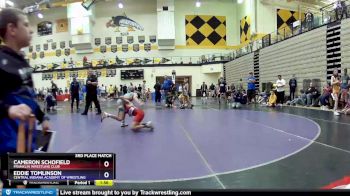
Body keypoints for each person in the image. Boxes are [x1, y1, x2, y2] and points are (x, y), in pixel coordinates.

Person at [0, 8, 50, 187]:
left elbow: (27, 94)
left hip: (27, 141)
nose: (31, 30)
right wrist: (8, 109)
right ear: (12, 29)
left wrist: (42, 117)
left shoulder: (22, 61)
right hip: (8, 144)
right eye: (26, 25)